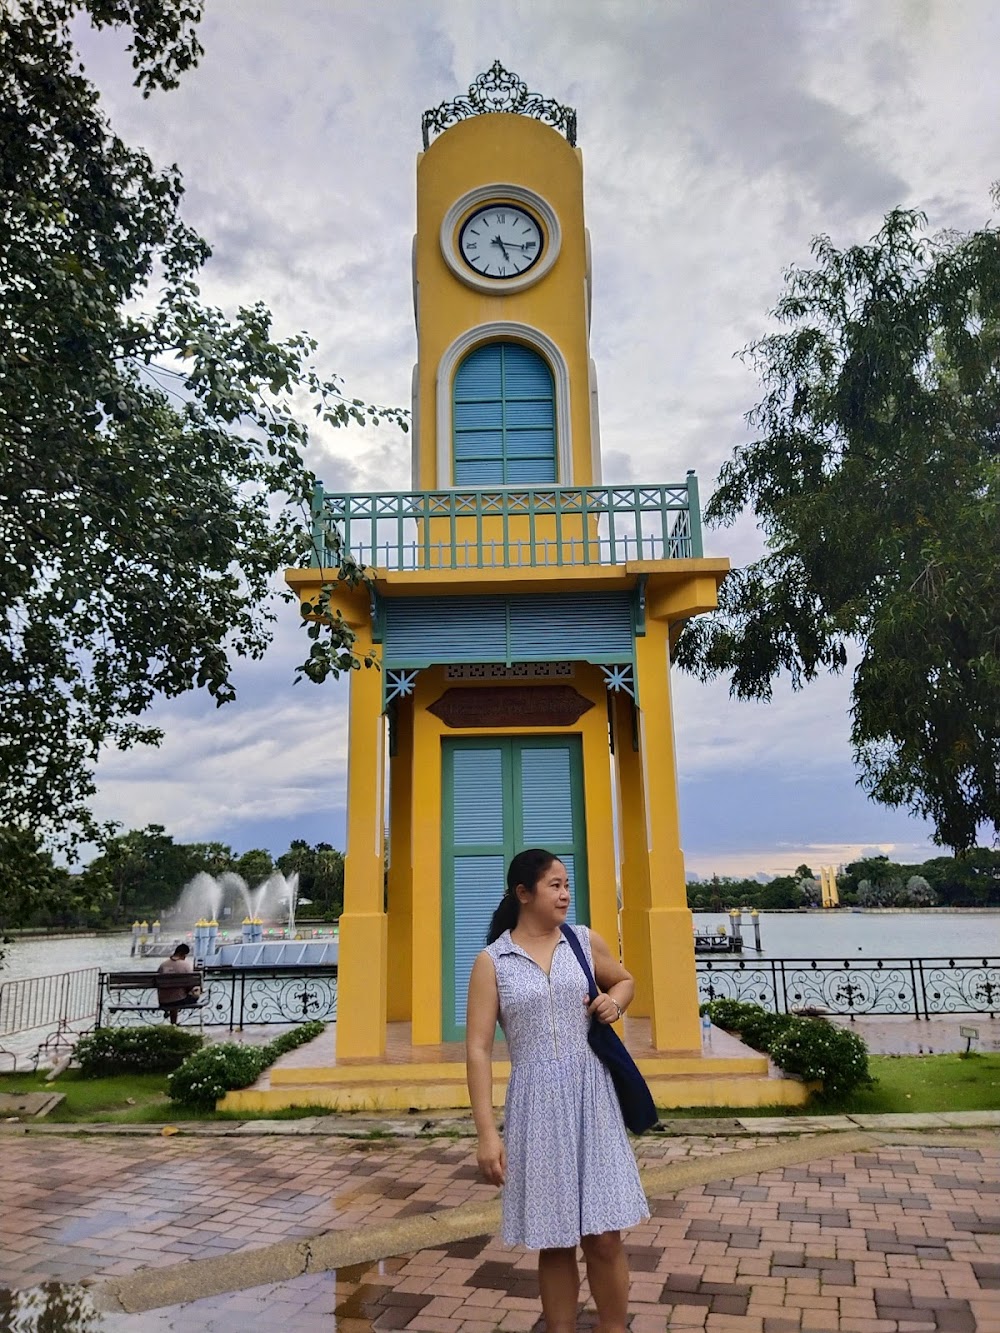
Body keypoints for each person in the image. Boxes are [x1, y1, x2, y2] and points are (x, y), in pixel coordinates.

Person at [466, 848, 649, 1333]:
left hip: (593, 1095)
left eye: (567, 884)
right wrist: (487, 1133)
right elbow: (479, 1049)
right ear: (523, 894)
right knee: (555, 1237)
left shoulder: (584, 941)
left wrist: (615, 1003)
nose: (566, 894)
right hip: (536, 1103)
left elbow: (626, 980)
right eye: (555, 885)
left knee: (605, 1235)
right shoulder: (493, 961)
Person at [156, 943, 197, 1024]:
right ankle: (174, 1024)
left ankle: (173, 1024)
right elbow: (190, 985)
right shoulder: (185, 965)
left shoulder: (163, 965)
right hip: (179, 1000)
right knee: (195, 993)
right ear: (182, 954)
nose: (185, 958)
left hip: (163, 1001)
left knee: (174, 994)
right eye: (185, 956)